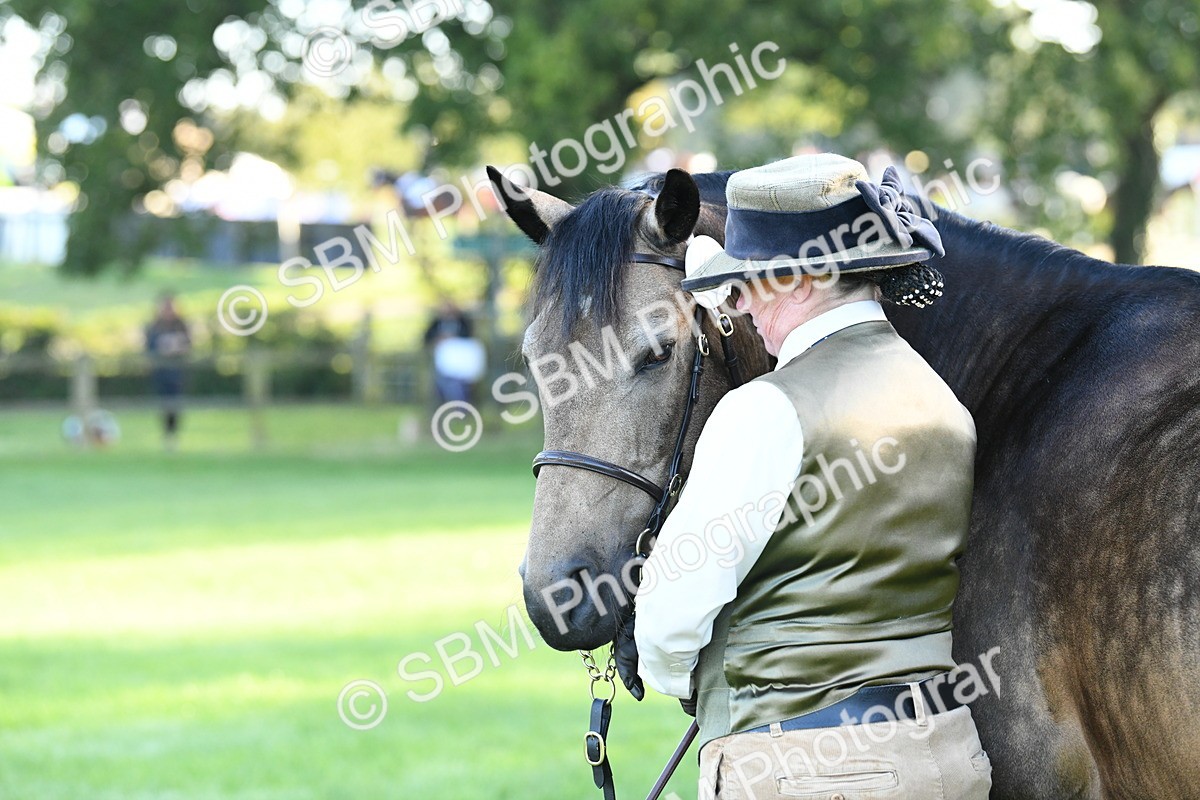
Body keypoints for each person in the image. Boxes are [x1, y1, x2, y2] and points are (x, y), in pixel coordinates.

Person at [634, 155, 990, 799]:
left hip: (810, 767)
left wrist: (688, 679)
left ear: (799, 282)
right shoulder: (946, 406)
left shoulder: (765, 409)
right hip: (945, 754)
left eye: (747, 283)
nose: (740, 305)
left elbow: (670, 613)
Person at [145, 293, 191, 450]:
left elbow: (187, 346)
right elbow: (150, 349)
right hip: (161, 374)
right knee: (163, 404)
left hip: (177, 374)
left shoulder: (181, 326)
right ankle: (166, 434)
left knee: (176, 404)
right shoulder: (154, 327)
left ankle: (173, 435)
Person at [422, 300, 484, 404]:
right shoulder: (437, 323)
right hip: (442, 361)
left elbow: (468, 337)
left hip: (461, 361)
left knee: (461, 385)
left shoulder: (463, 322)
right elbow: (427, 338)